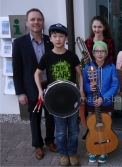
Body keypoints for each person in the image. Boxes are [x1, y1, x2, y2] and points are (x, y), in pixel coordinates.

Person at [34, 23, 84, 166]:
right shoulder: (47, 56)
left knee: (74, 129)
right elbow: (36, 74)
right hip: (55, 101)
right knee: (61, 130)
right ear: (50, 38)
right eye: (54, 36)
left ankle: (73, 152)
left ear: (66, 38)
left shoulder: (72, 55)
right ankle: (63, 154)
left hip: (72, 98)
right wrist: (40, 91)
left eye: (61, 36)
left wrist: (80, 90)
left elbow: (80, 74)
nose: (58, 39)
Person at [12, 8, 57, 160]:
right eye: (32, 19)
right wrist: (20, 92)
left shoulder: (50, 40)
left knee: (51, 115)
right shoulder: (19, 43)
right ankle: (38, 145)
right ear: (27, 22)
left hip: (49, 86)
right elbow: (17, 70)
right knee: (35, 117)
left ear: (43, 22)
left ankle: (50, 141)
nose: (36, 22)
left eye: (39, 19)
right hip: (31, 88)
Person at [83, 41, 119, 163]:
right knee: (92, 125)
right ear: (93, 53)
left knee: (106, 125)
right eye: (97, 51)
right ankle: (93, 149)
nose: (99, 54)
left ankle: (104, 149)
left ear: (106, 53)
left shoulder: (111, 67)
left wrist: (103, 98)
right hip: (92, 102)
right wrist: (89, 88)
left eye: (102, 51)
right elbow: (85, 84)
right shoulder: (88, 67)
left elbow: (115, 85)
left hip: (106, 103)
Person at [82, 16, 116, 141]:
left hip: (105, 75)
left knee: (106, 118)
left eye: (99, 27)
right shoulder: (87, 42)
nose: (97, 29)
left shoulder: (109, 41)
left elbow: (112, 59)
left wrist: (108, 69)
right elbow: (86, 61)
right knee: (92, 116)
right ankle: (91, 133)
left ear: (104, 27)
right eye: (94, 27)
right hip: (92, 76)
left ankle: (107, 136)